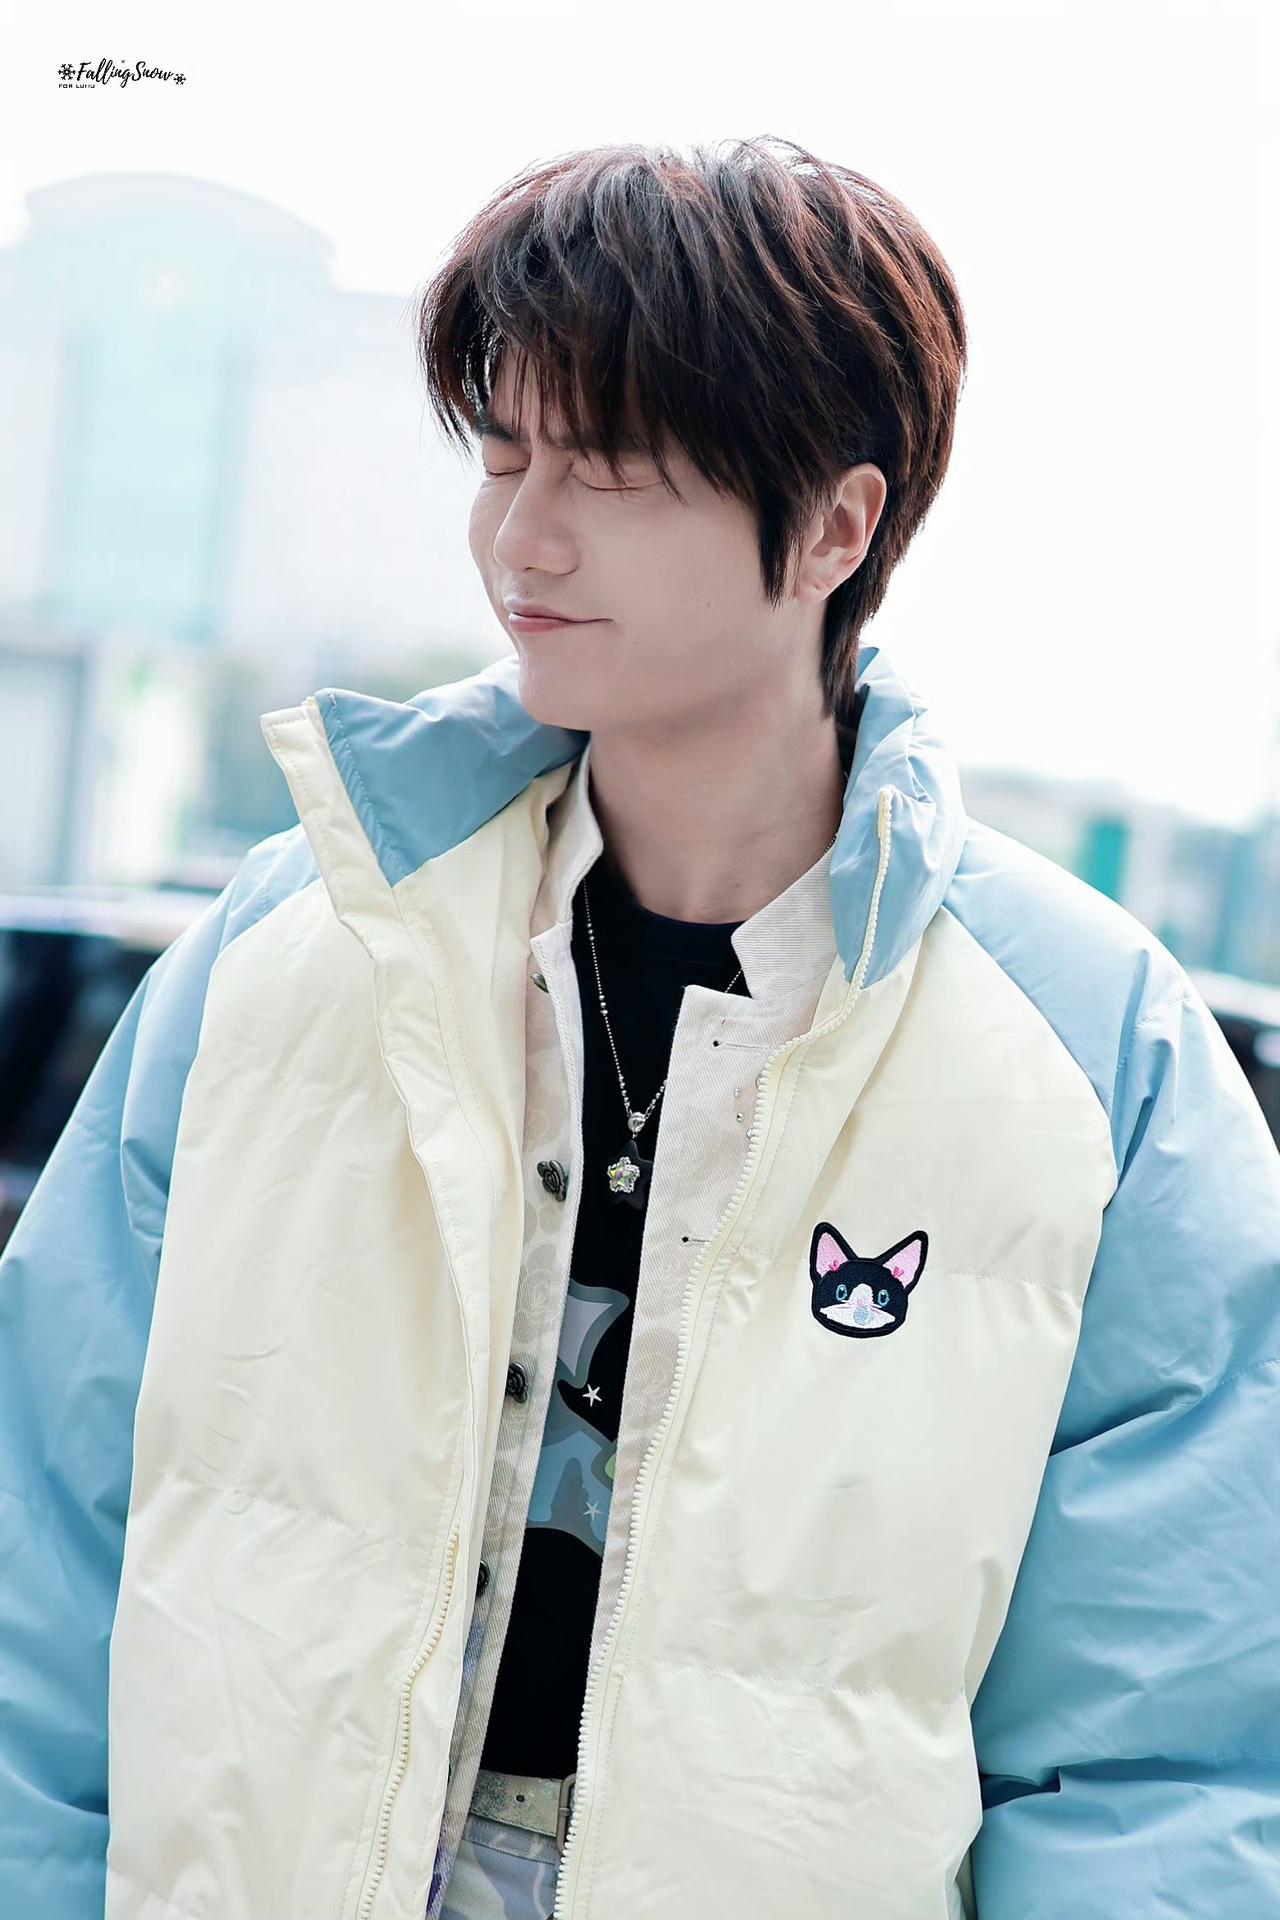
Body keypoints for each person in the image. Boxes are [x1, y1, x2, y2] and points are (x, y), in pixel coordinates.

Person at [1, 135, 1277, 1920]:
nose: (521, 537)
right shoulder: (292, 947)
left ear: (835, 526)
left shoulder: (1090, 1053)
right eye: (502, 455)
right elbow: (45, 1545)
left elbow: (1168, 1744)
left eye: (605, 469)